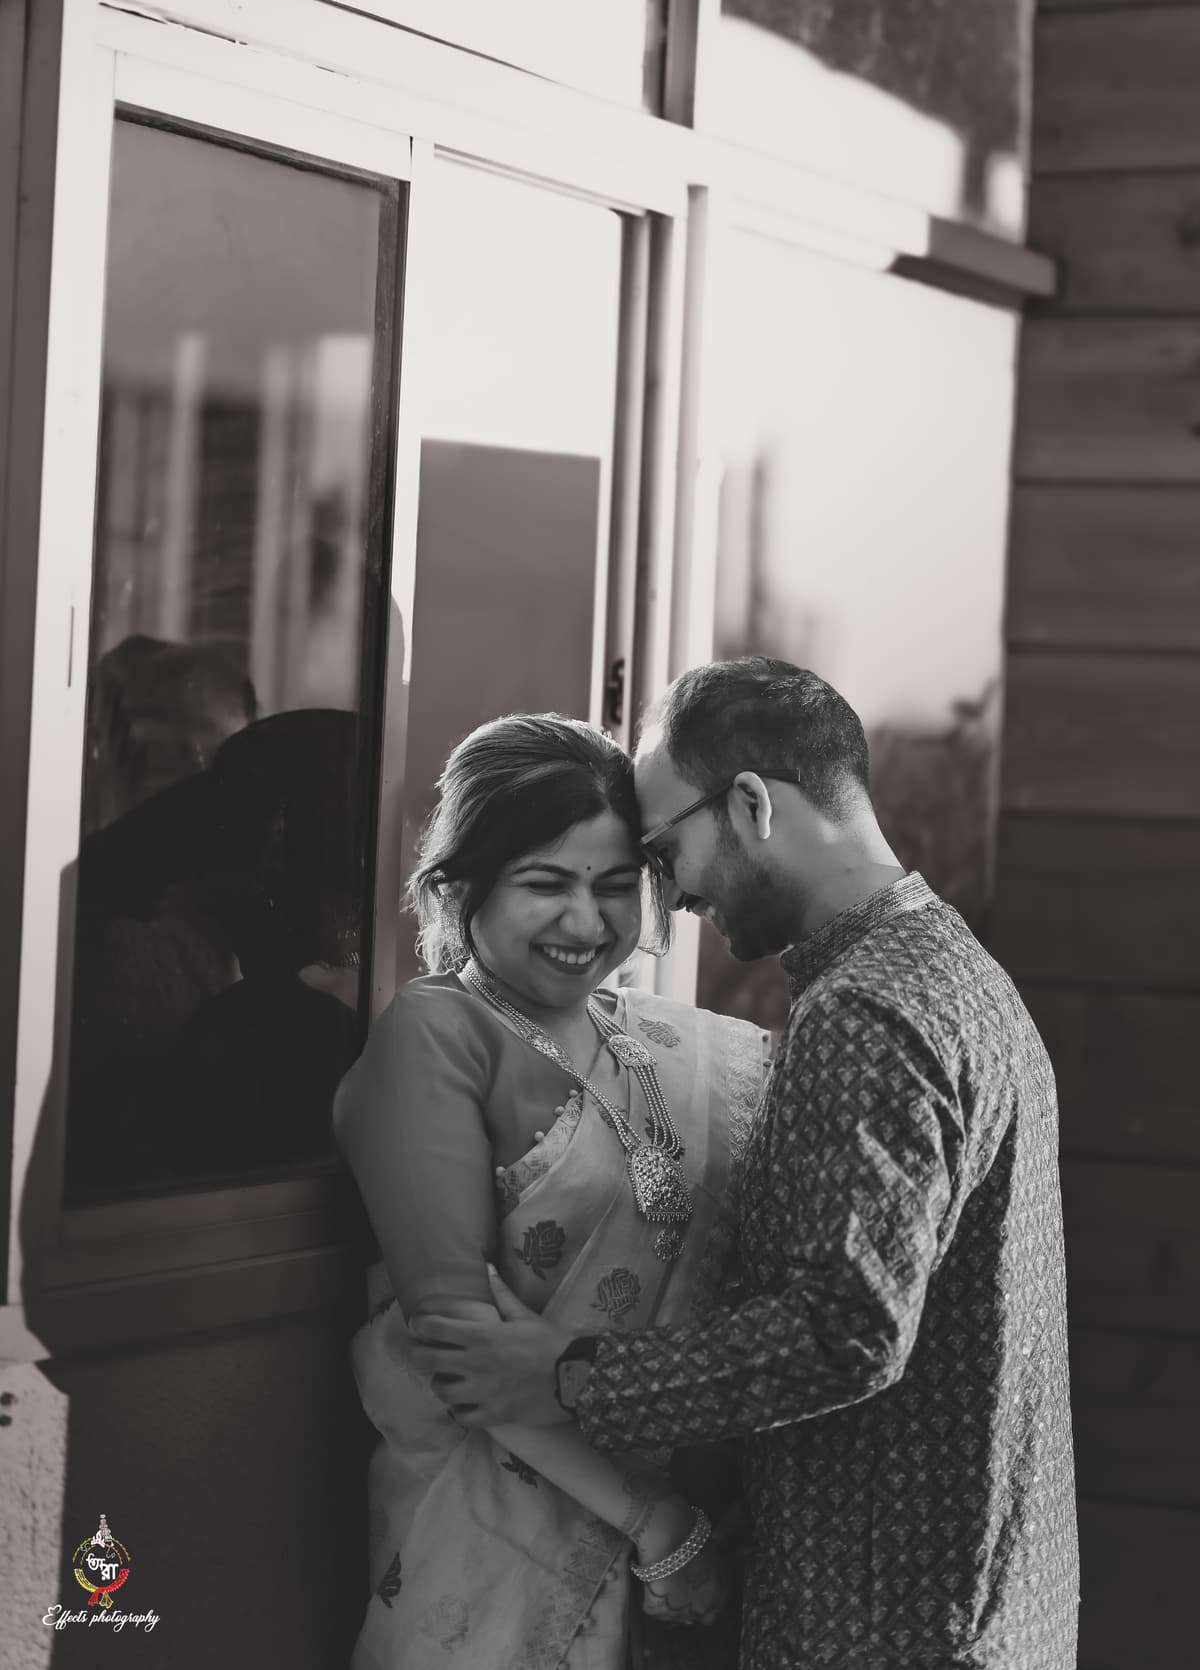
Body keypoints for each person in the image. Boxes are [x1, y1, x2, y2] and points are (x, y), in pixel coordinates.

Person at [411, 659, 1080, 1670]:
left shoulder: (864, 1013)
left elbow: (846, 1330)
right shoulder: (953, 967)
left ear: (753, 803)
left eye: (663, 849)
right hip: (977, 1606)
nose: (667, 896)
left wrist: (572, 1375)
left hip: (884, 1627)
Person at [334, 713, 770, 1669]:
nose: (587, 923)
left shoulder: (658, 1041)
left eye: (616, 887)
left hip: (677, 1548)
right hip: (493, 1549)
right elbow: (464, 1358)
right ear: (462, 883)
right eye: (545, 884)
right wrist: (661, 1527)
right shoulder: (435, 1037)